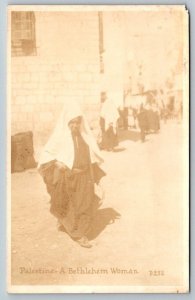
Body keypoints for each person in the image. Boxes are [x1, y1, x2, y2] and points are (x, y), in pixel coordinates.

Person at [38, 102, 106, 248]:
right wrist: (57, 163)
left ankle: (78, 231)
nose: (75, 126)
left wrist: (96, 178)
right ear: (67, 122)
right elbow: (46, 154)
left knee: (85, 205)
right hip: (68, 178)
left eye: (77, 122)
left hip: (85, 177)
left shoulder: (85, 137)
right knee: (69, 206)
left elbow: (93, 158)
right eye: (72, 123)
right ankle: (78, 234)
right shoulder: (60, 137)